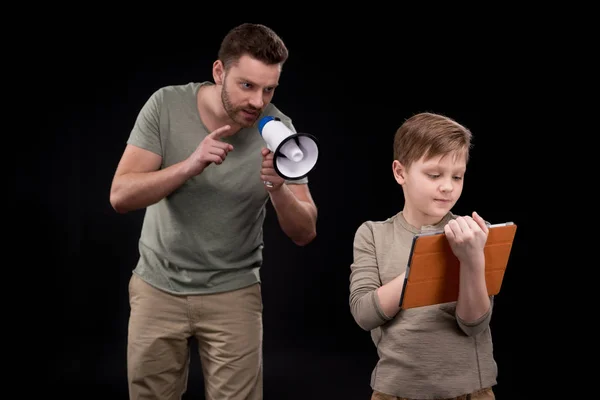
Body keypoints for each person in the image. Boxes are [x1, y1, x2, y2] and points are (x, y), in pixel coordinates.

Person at [109, 23, 318, 400]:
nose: (258, 101)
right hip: (158, 287)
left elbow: (305, 231)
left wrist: (278, 187)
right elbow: (120, 196)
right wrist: (190, 165)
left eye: (269, 88)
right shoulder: (166, 105)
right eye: (247, 85)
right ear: (219, 72)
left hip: (233, 292)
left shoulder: (280, 132)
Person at [349, 112, 497, 400]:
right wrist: (425, 265)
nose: (448, 187)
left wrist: (472, 260)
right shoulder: (373, 235)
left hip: (469, 392)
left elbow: (473, 323)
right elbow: (364, 314)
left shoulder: (475, 235)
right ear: (400, 172)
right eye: (434, 175)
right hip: (396, 391)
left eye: (457, 176)